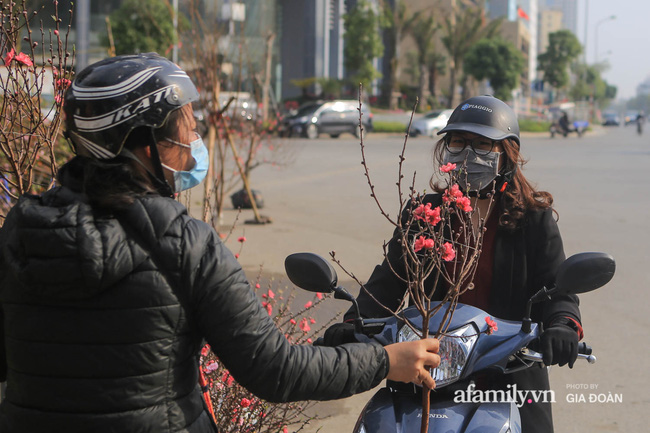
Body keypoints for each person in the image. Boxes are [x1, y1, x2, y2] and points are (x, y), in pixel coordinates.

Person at [0, 53, 441, 432]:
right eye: (185, 128)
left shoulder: (22, 228)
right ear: (146, 145)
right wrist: (385, 360)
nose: (194, 143)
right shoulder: (183, 243)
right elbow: (276, 370)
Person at [324, 95, 584, 433]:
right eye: (458, 142)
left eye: (482, 144)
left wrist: (563, 325)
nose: (468, 154)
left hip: (511, 367)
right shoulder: (425, 214)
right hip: (429, 366)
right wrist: (354, 323)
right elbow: (389, 279)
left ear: (507, 155)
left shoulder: (534, 220)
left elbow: (557, 289)